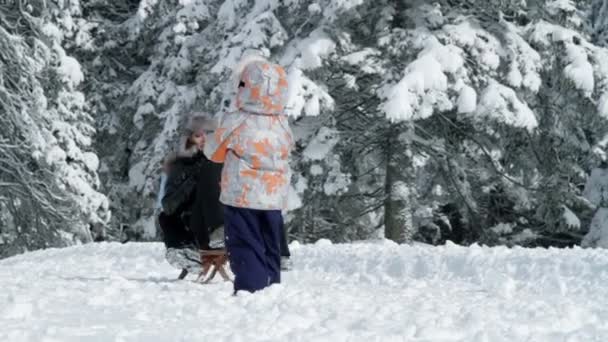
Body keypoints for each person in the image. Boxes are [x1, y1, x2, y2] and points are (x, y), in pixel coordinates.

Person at [204, 56, 293, 293]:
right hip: (273, 196)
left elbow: (213, 152)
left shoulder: (236, 120)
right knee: (269, 244)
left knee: (246, 243)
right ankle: (271, 286)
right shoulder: (282, 123)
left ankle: (250, 291)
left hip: (242, 195)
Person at [157, 114, 225, 275]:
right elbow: (168, 204)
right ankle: (185, 252)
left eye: (208, 135)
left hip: (219, 219)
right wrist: (192, 180)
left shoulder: (223, 162)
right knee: (165, 217)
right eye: (198, 135)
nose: (203, 139)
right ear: (189, 138)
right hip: (192, 219)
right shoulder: (180, 164)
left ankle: (191, 252)